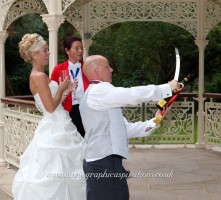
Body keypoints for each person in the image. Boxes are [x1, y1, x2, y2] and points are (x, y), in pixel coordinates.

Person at [79, 55, 179, 200]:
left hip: (106, 162)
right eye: (107, 66)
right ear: (96, 70)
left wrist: (156, 119)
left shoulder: (101, 96)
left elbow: (124, 129)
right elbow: (132, 94)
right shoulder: (99, 91)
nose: (111, 69)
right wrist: (165, 89)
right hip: (103, 164)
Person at [12, 33, 86, 200]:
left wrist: (66, 90)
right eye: (45, 50)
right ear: (35, 54)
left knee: (66, 168)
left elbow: (54, 102)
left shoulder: (39, 74)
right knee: (59, 169)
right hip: (55, 125)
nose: (48, 53)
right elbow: (51, 107)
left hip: (58, 122)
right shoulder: (39, 76)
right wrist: (61, 88)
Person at [51, 36, 89, 138]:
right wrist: (66, 90)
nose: (80, 51)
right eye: (76, 48)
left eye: (81, 48)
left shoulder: (87, 66)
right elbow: (53, 94)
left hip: (87, 108)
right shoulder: (58, 69)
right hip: (69, 110)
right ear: (67, 51)